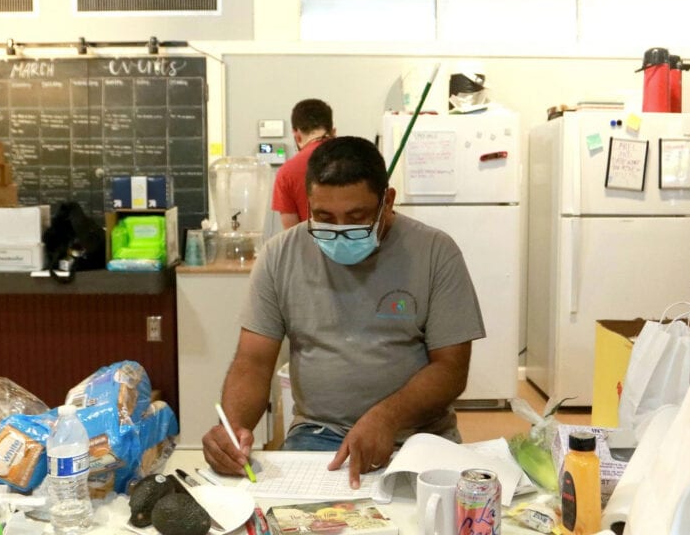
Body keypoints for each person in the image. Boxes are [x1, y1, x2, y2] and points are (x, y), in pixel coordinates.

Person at [203, 136, 485, 488]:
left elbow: (451, 369)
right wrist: (233, 429)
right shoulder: (280, 256)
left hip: (418, 434)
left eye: (357, 217)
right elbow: (253, 363)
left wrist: (386, 417)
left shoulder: (435, 253)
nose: (340, 230)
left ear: (388, 201)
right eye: (324, 217)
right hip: (318, 434)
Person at [271, 99, 336, 229]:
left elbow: (292, 236)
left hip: (310, 248)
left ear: (297, 136)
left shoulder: (287, 173)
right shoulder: (359, 160)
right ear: (333, 132)